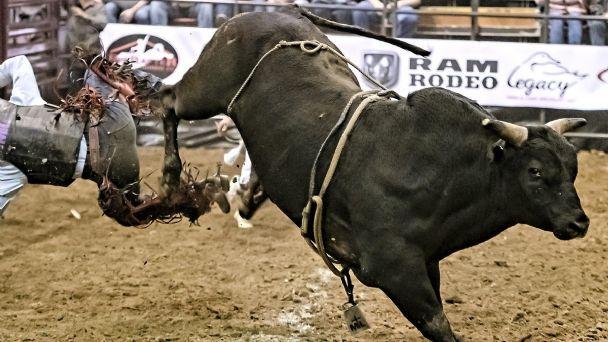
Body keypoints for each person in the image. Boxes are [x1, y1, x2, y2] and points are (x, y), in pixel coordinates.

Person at [352, 0, 419, 37]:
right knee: (360, 9)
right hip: (374, 4)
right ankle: (362, 40)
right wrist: (378, 5)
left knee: (410, 17)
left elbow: (416, 0)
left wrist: (395, 5)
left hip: (400, 6)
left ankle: (402, 46)